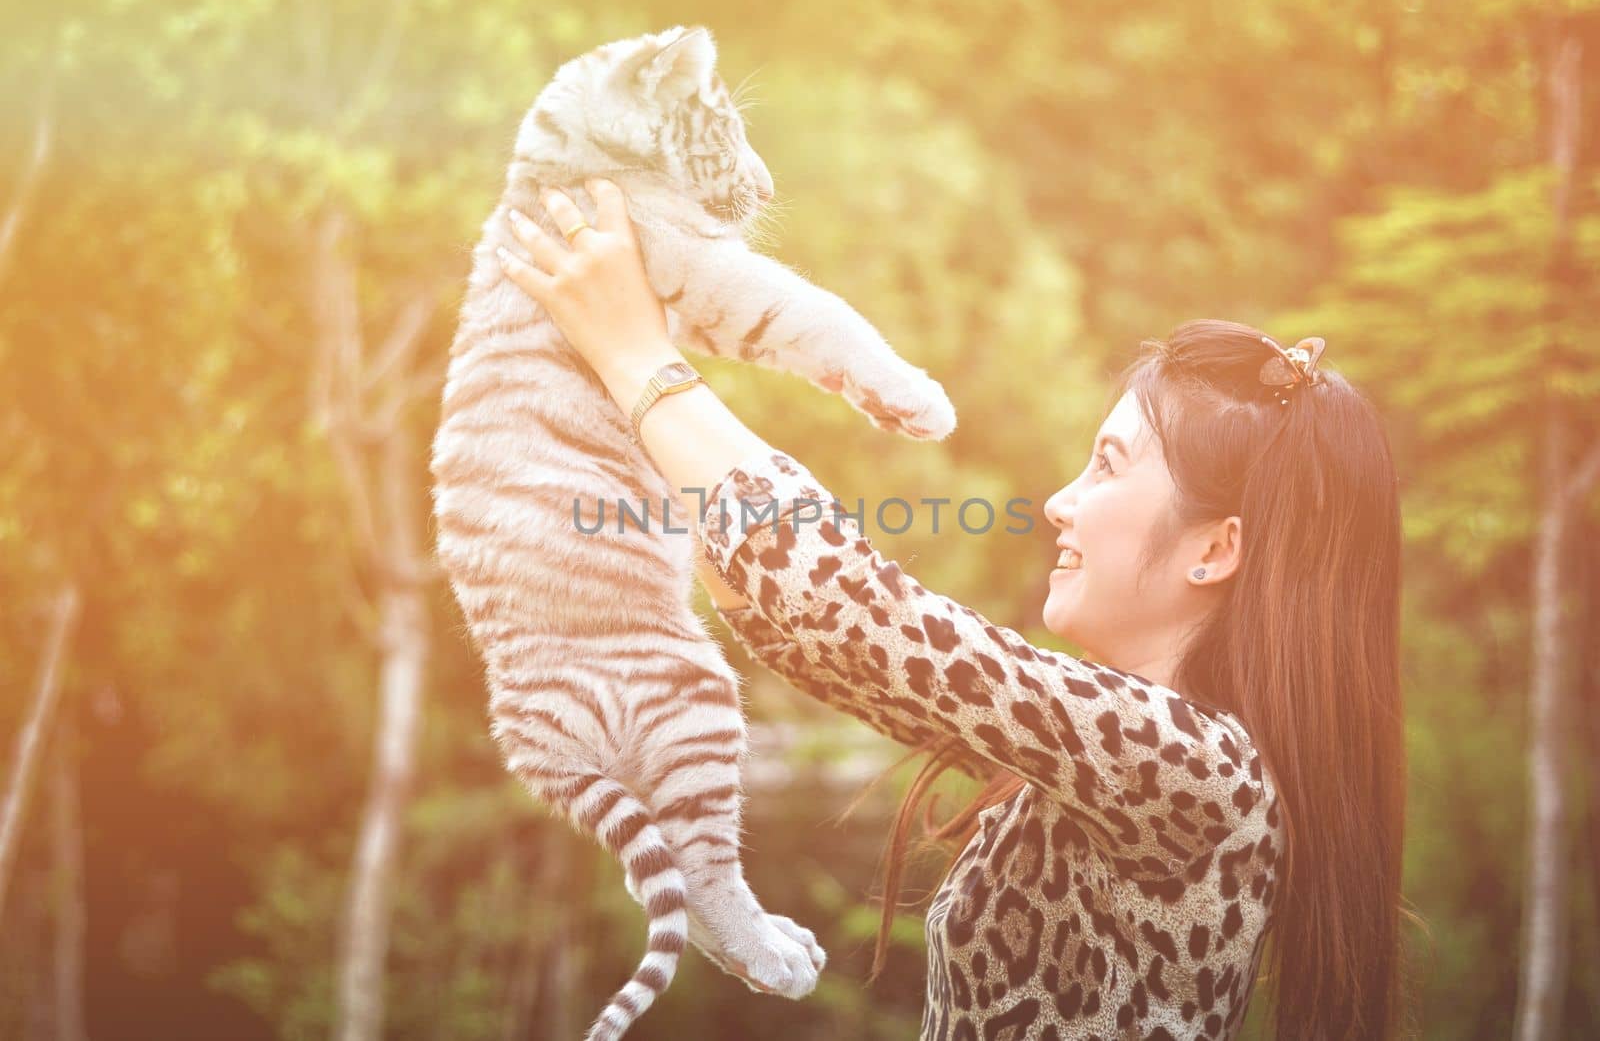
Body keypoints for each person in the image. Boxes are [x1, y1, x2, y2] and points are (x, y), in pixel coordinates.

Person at [494, 178, 1414, 1039]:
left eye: (1108, 465)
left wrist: (635, 355)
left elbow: (850, 608)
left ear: (1216, 549)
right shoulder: (1121, 756)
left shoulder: (1197, 769)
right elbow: (832, 643)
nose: (1060, 501)